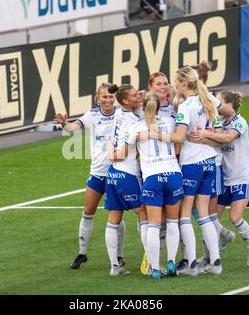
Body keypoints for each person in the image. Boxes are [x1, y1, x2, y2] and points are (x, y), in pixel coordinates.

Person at [147, 65, 222, 275]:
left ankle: (190, 264)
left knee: (185, 215)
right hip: (210, 161)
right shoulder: (206, 99)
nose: (172, 85)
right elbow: (217, 127)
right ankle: (215, 262)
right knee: (205, 214)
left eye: (174, 81)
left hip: (192, 163)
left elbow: (179, 137)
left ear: (181, 83)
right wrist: (207, 135)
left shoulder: (186, 106)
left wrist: (155, 135)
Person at [54, 84, 126, 269]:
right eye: (104, 97)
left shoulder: (122, 114)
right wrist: (64, 122)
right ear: (98, 98)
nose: (108, 100)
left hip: (117, 172)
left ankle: (119, 255)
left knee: (116, 216)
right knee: (88, 212)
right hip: (97, 172)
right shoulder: (92, 115)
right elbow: (73, 127)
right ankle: (82, 253)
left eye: (111, 97)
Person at [190, 90, 249, 267]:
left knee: (235, 218)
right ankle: (208, 256)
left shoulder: (240, 123)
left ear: (229, 106)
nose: (216, 105)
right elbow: (216, 143)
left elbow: (227, 139)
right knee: (209, 218)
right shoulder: (217, 121)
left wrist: (205, 135)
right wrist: (199, 140)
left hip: (242, 178)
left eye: (220, 102)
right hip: (223, 178)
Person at [127, 92, 183, 280]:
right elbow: (178, 142)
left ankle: (154, 267)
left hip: (152, 177)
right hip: (173, 174)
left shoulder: (135, 127)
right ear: (159, 106)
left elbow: (125, 151)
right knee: (173, 222)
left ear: (142, 107)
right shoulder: (169, 121)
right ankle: (172, 261)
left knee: (153, 224)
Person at [105, 84, 148, 276]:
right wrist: (116, 155)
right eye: (134, 96)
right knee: (144, 214)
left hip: (113, 173)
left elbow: (110, 140)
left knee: (113, 219)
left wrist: (111, 156)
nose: (138, 97)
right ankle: (150, 259)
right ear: (125, 101)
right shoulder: (132, 120)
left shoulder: (119, 114)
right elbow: (124, 150)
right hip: (128, 173)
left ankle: (115, 266)